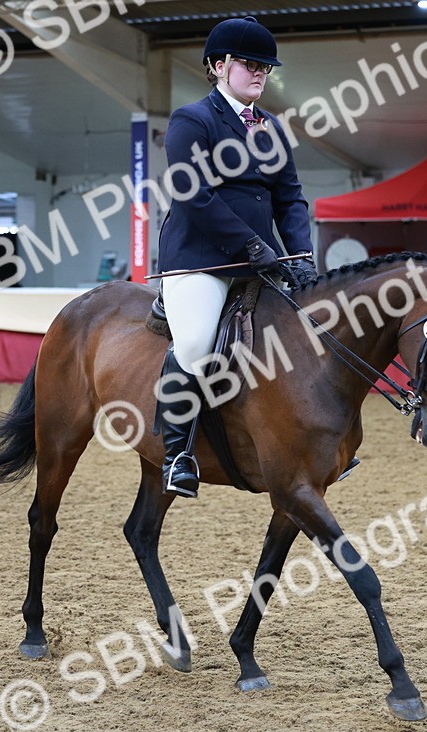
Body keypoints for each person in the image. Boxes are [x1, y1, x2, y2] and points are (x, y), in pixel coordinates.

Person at [155, 15, 317, 498]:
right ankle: (177, 454)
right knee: (196, 343)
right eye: (250, 64)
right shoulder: (192, 120)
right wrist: (250, 245)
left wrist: (301, 256)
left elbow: (290, 197)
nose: (260, 73)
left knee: (306, 333)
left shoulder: (272, 128)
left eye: (265, 67)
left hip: (263, 260)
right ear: (219, 66)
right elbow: (194, 194)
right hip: (201, 260)